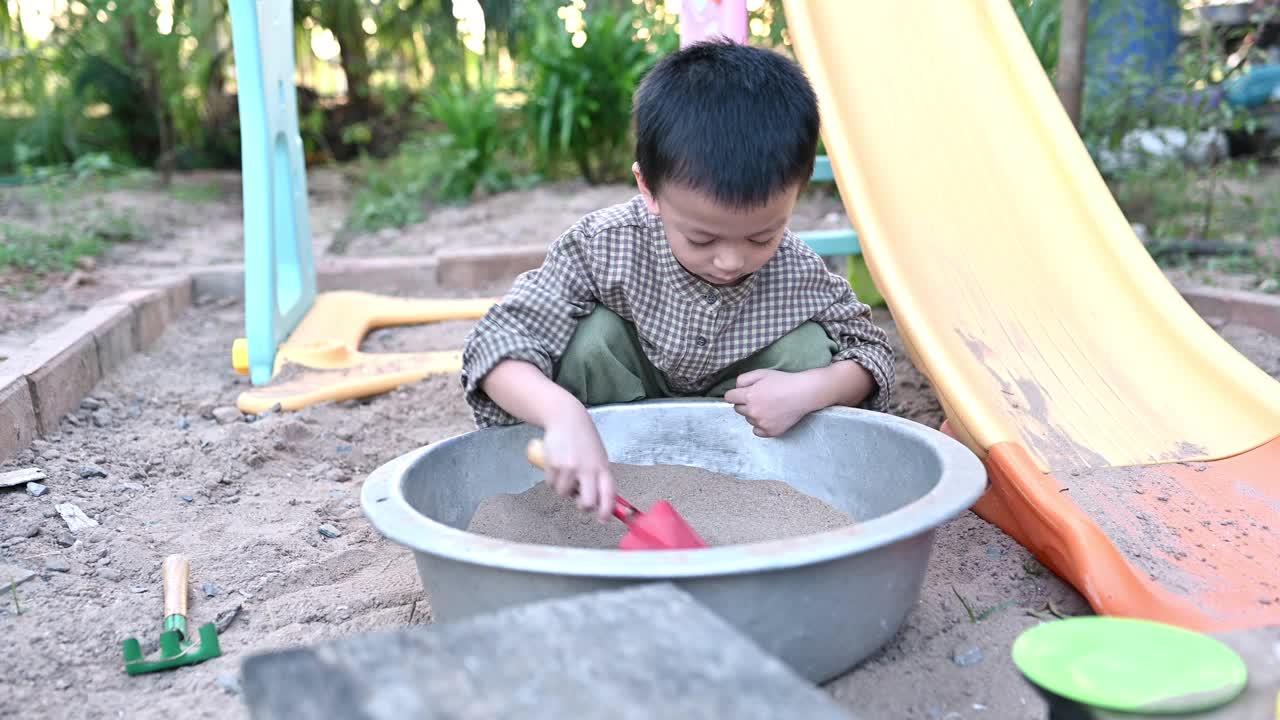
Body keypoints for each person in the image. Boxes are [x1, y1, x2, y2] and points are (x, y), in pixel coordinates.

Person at [460, 39, 894, 523]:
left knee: (811, 350)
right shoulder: (605, 245)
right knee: (589, 339)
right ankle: (585, 472)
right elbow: (496, 342)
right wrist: (562, 415)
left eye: (762, 236)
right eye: (702, 238)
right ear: (649, 189)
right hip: (611, 442)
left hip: (749, 441)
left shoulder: (797, 271)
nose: (730, 261)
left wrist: (812, 390)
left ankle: (787, 466)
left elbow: (873, 353)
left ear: (795, 194)